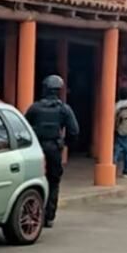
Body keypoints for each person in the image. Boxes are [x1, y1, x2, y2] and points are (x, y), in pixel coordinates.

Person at [25, 75, 79, 228]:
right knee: (53, 181)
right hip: (54, 148)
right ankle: (48, 216)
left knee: (32, 181)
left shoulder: (35, 108)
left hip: (36, 149)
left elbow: (24, 126)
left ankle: (32, 212)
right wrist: (64, 144)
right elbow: (74, 131)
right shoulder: (64, 109)